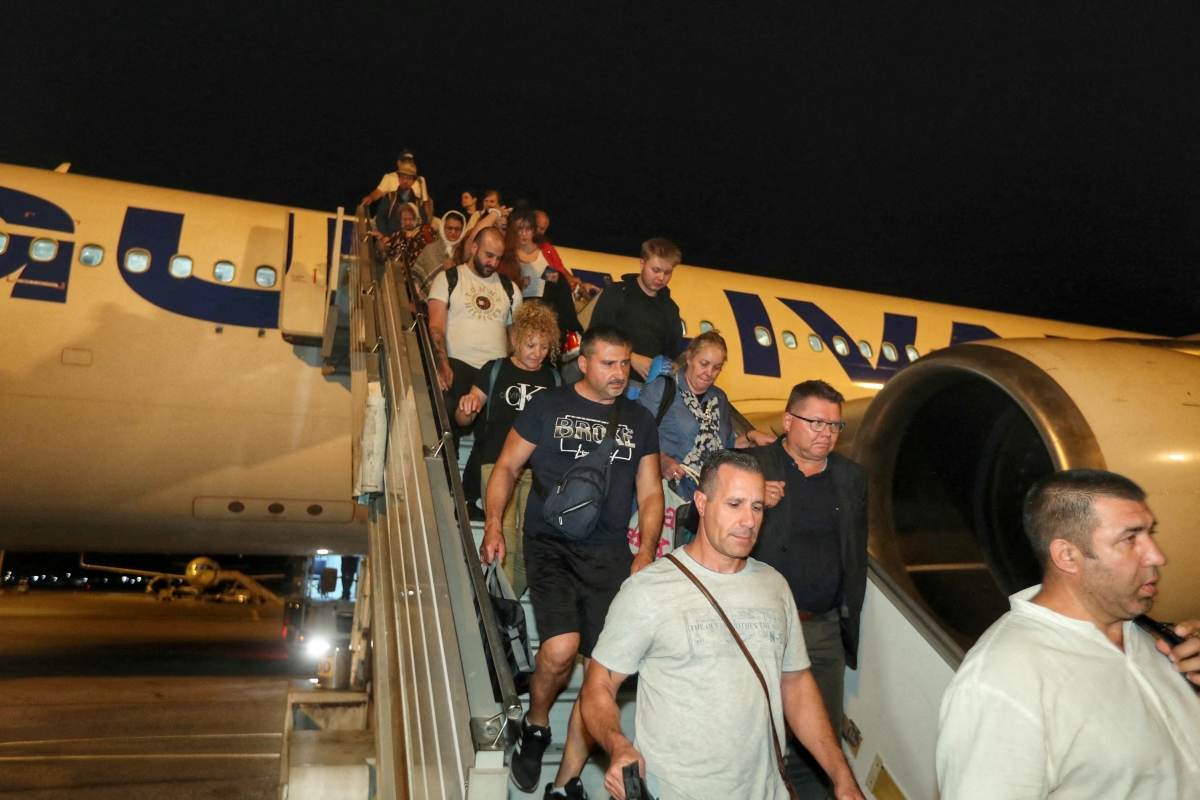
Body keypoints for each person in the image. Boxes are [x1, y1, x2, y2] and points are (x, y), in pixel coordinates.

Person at [581, 449, 866, 800]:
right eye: (734, 504)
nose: (749, 520)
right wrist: (618, 746)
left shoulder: (774, 586)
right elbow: (597, 688)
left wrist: (842, 775)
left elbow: (795, 684)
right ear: (701, 503)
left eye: (757, 507)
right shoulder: (649, 590)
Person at [479, 326, 664, 799]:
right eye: (609, 363)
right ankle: (537, 725)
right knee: (560, 650)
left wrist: (645, 552)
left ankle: (565, 782)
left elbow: (650, 492)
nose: (620, 373)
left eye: (625, 363)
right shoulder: (548, 405)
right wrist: (495, 525)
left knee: (602, 673)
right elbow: (506, 467)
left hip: (610, 554)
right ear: (583, 363)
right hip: (550, 544)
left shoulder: (639, 419)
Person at [936, 469, 1200, 799]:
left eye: (1151, 534)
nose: (1158, 556)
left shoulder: (1153, 638)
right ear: (1067, 556)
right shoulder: (1002, 681)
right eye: (1130, 539)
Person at [745, 379, 867, 799]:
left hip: (821, 630)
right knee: (752, 737)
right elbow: (697, 519)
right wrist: (752, 500)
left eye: (834, 426)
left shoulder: (851, 477)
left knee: (820, 744)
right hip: (754, 626)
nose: (826, 433)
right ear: (787, 421)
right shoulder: (752, 466)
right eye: (816, 422)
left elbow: (854, 553)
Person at [456, 302, 561, 597]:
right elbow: (463, 419)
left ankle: (502, 607)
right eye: (530, 345)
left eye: (544, 346)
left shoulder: (553, 379)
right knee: (506, 543)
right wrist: (467, 408)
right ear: (515, 339)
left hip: (537, 471)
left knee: (530, 549)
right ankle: (502, 610)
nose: (537, 353)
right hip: (497, 464)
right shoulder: (495, 370)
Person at [636, 330, 775, 501]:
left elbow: (724, 447)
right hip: (662, 491)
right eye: (704, 364)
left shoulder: (719, 398)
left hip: (706, 496)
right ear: (689, 357)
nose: (709, 372)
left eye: (716, 368)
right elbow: (635, 433)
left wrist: (749, 436)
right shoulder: (662, 388)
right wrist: (661, 459)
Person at [426, 228, 520, 448]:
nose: (493, 263)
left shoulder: (511, 289)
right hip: (457, 366)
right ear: (475, 248)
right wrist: (441, 363)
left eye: (498, 258)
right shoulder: (448, 279)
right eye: (489, 255)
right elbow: (436, 326)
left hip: (495, 372)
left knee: (494, 443)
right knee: (446, 427)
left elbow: (516, 338)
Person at [586, 237, 684, 383]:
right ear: (642, 264)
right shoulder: (616, 294)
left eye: (668, 272)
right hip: (609, 380)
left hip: (651, 388)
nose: (661, 277)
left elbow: (674, 352)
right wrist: (630, 358)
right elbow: (594, 338)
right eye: (656, 270)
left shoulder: (670, 309)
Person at [502, 209, 583, 343]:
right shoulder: (508, 254)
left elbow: (561, 273)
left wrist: (557, 279)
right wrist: (519, 284)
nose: (523, 234)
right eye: (519, 229)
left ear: (534, 230)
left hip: (548, 308)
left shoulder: (546, 249)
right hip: (522, 310)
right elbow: (504, 286)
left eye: (528, 229)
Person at [411, 210, 464, 301]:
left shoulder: (464, 253)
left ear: (463, 230)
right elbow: (416, 276)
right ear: (443, 228)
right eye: (449, 228)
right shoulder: (430, 249)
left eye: (457, 229)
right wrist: (416, 300)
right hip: (424, 303)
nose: (453, 232)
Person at [364, 155, 432, 223]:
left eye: (410, 161)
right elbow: (378, 192)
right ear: (399, 162)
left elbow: (425, 202)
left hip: (412, 219)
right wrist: (371, 197)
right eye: (405, 160)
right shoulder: (389, 178)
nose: (405, 181)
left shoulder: (420, 180)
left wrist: (427, 220)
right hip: (393, 218)